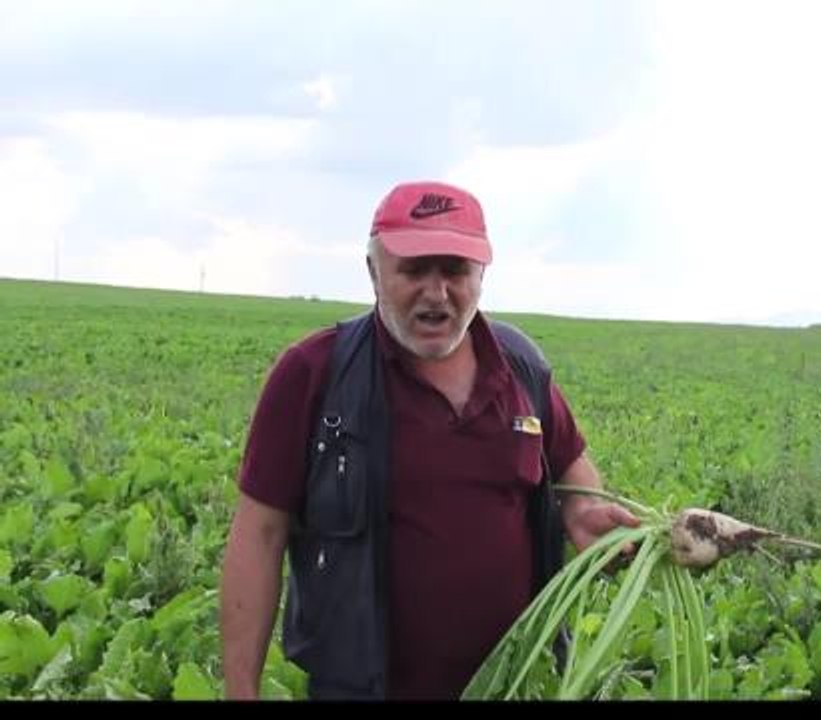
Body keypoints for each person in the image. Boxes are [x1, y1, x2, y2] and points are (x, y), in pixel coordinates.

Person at [218, 180, 640, 700]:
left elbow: (570, 466)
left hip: (514, 684)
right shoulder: (315, 373)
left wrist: (581, 512)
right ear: (374, 272)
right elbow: (258, 536)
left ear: (482, 275)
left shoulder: (521, 367)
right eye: (414, 270)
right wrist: (241, 691)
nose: (437, 293)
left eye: (456, 271)